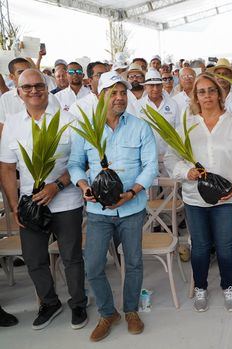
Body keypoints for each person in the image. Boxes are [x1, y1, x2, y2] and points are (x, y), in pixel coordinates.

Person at [67, 71, 158, 342]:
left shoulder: (140, 127)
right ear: (100, 95)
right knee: (93, 265)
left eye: (123, 92)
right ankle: (108, 313)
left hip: (132, 207)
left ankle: (131, 310)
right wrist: (84, 187)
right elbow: (74, 165)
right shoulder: (86, 130)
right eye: (113, 92)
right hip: (98, 212)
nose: (119, 98)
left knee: (133, 262)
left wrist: (132, 192)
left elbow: (150, 165)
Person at [0, 69, 87, 330]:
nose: (34, 91)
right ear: (19, 93)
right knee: (34, 257)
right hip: (30, 204)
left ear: (47, 89)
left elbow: (81, 161)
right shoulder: (13, 123)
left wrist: (56, 186)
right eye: (27, 87)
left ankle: (78, 302)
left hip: (66, 200)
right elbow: (6, 167)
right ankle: (49, 302)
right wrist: (14, 206)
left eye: (39, 86)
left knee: (71, 256)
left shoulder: (68, 120)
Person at [164, 73, 232, 313]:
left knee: (226, 245)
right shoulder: (187, 125)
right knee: (201, 245)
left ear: (219, 93)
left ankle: (228, 286)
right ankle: (201, 288)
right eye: (201, 91)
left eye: (211, 90)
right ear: (195, 96)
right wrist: (187, 172)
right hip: (195, 197)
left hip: (228, 197)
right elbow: (171, 157)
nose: (207, 96)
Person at [134, 69, 181, 176]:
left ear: (162, 86)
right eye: (151, 85)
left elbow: (178, 129)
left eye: (158, 85)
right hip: (146, 157)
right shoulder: (138, 105)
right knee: (150, 189)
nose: (155, 89)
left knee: (170, 189)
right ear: (145, 87)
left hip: (169, 156)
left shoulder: (173, 104)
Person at [0, 58, 60, 135]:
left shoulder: (50, 98)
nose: (26, 75)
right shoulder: (6, 98)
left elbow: (58, 124)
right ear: (11, 77)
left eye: (29, 71)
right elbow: (2, 127)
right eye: (20, 72)